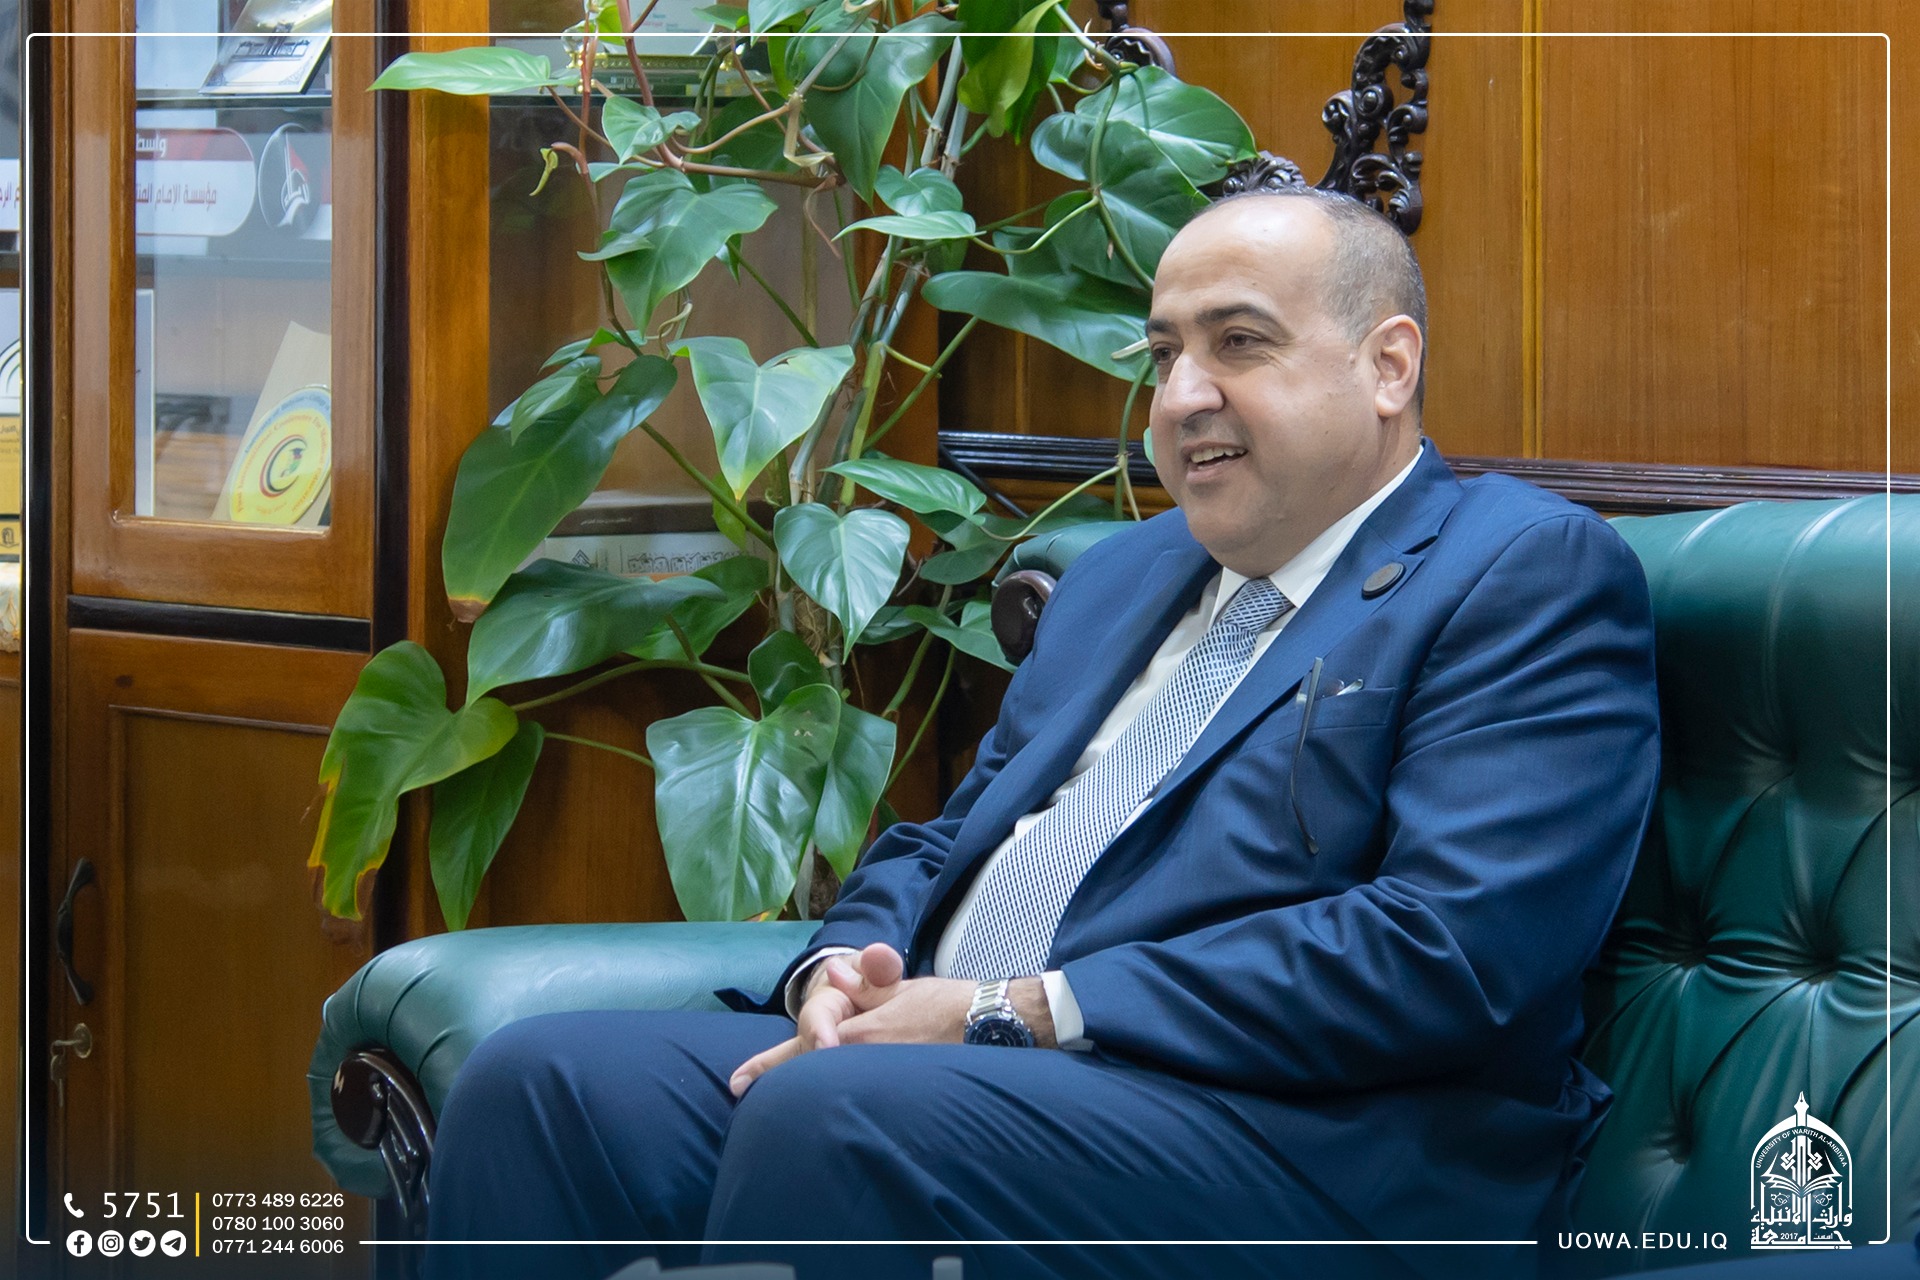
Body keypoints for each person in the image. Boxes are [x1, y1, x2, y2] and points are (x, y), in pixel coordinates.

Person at [423, 189, 1662, 1280]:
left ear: (1388, 365)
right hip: (979, 1079)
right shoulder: (1125, 573)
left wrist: (1010, 1008)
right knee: (543, 1083)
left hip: (1310, 1140)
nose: (1183, 395)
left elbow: (1449, 947)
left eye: (1239, 343)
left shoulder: (1519, 570)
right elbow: (951, 835)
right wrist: (842, 968)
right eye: (1164, 352)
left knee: (844, 1112)